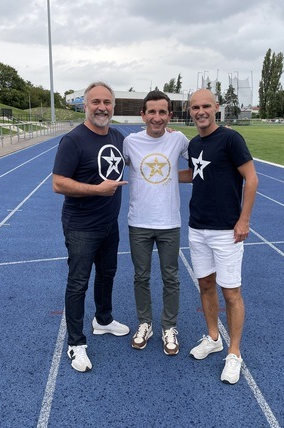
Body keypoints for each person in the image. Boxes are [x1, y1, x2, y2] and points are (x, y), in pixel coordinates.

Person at [52, 81, 130, 373]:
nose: (102, 107)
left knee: (107, 274)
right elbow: (58, 183)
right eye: (95, 102)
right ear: (85, 105)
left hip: (110, 224)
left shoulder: (119, 137)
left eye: (107, 102)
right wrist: (98, 190)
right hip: (82, 227)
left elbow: (138, 158)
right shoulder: (73, 140)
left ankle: (104, 320)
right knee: (78, 283)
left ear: (113, 106)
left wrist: (165, 135)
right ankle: (75, 343)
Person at [185, 89, 258, 384]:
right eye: (195, 107)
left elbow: (251, 179)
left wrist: (243, 220)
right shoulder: (193, 144)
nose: (200, 111)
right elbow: (194, 174)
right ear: (190, 111)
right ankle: (213, 338)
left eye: (205, 106)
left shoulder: (231, 139)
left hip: (226, 230)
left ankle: (234, 353)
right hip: (197, 227)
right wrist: (152, 172)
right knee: (205, 285)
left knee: (231, 292)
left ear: (216, 108)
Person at [122, 90, 190, 355]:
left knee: (170, 277)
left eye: (162, 112)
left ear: (169, 115)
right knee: (141, 277)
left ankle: (169, 326)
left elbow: (200, 163)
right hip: (138, 222)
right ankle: (145, 323)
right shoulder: (130, 142)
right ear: (143, 114)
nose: (157, 117)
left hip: (169, 222)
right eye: (152, 111)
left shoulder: (179, 140)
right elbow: (114, 167)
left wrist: (173, 176)